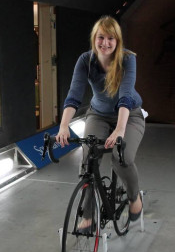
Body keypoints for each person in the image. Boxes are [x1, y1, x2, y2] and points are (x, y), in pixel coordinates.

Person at [56, 15, 146, 226]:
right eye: (101, 37)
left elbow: (125, 95)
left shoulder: (128, 59)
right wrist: (63, 126)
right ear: (94, 38)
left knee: (121, 156)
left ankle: (134, 197)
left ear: (118, 41)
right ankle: (88, 215)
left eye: (111, 39)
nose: (105, 43)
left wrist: (119, 130)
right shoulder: (85, 61)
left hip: (130, 114)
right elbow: (74, 96)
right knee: (88, 159)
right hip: (98, 114)